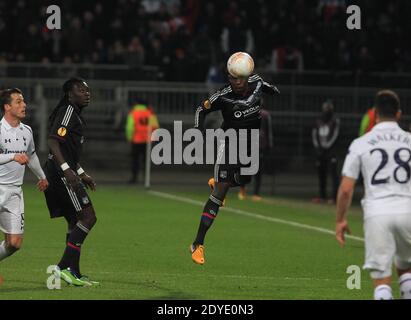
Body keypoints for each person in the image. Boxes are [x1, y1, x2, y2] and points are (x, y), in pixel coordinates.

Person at [190, 52, 280, 265]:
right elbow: (200, 110)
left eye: (239, 78)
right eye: (231, 77)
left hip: (250, 145)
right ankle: (198, 244)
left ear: (248, 76)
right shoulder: (223, 95)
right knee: (219, 193)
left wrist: (274, 90)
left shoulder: (257, 83)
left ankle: (221, 183)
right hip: (229, 143)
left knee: (246, 181)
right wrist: (198, 133)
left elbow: (268, 87)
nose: (235, 82)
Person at [336, 90, 411, 300]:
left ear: (375, 115)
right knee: (406, 269)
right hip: (408, 210)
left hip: (377, 213)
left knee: (381, 281)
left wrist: (341, 220)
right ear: (399, 114)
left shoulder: (361, 143)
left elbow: (345, 189)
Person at [43, 78, 99, 286]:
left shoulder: (75, 115)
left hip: (60, 172)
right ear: (69, 94)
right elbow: (53, 141)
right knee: (88, 218)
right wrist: (68, 171)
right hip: (60, 175)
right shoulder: (67, 111)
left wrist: (82, 172)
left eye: (88, 90)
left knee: (74, 221)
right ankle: (61, 268)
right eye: (81, 90)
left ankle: (73, 272)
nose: (86, 93)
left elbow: (70, 152)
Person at [0, 88, 48, 276]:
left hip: (14, 193)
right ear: (7, 106)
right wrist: (12, 156)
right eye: (18, 102)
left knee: (14, 243)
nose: (24, 105)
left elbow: (31, 156)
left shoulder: (26, 131)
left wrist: (42, 177)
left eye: (23, 101)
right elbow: (17, 156)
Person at [238, 105, 273, 201]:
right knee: (245, 168)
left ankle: (256, 193)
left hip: (260, 146)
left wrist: (269, 145)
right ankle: (242, 189)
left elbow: (268, 131)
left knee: (258, 170)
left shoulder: (265, 115)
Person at [311, 100, 340, 203]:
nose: (327, 110)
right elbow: (314, 135)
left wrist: (327, 146)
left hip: (331, 151)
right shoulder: (318, 120)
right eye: (325, 108)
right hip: (320, 152)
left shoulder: (335, 120)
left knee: (334, 174)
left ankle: (334, 197)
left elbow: (335, 135)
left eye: (329, 108)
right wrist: (318, 147)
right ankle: (322, 196)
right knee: (321, 173)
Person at [125, 101, 159, 184]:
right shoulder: (150, 113)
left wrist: (129, 138)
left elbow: (130, 127)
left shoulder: (133, 113)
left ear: (136, 104)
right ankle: (146, 178)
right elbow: (155, 127)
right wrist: (153, 138)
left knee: (135, 160)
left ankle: (134, 177)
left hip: (136, 140)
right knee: (146, 160)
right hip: (147, 140)